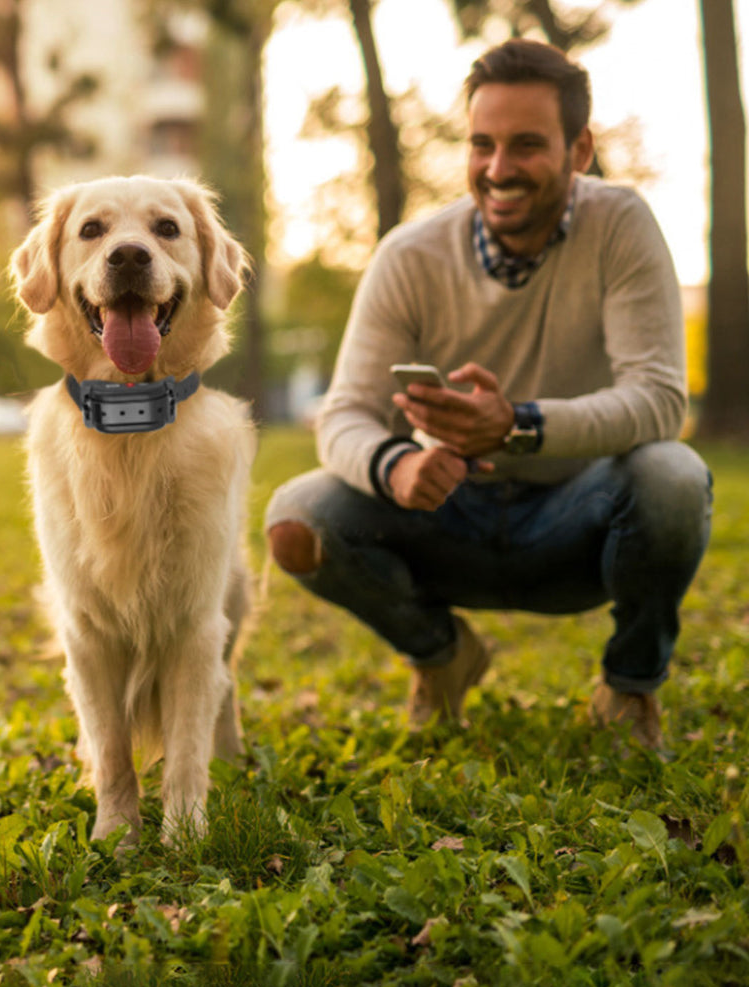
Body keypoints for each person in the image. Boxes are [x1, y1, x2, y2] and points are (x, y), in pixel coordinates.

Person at [265, 38, 712, 749]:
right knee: (298, 517)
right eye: (482, 144)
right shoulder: (409, 257)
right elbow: (345, 413)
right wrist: (398, 466)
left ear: (579, 150)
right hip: (448, 519)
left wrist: (518, 424)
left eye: (527, 145)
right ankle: (442, 657)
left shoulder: (621, 226)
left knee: (675, 477)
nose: (498, 170)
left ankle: (629, 688)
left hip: (579, 521)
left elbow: (660, 399)